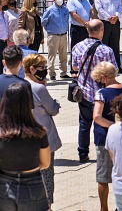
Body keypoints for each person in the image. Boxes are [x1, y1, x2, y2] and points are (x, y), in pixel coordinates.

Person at [72, 19, 118, 163]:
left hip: (84, 92)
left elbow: (74, 68)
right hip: (102, 93)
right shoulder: (106, 50)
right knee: (102, 123)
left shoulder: (77, 47)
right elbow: (114, 71)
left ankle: (83, 153)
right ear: (102, 31)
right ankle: (104, 153)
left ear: (88, 30)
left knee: (84, 124)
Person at [0, 82, 51, 211]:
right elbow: (45, 163)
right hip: (33, 185)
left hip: (4, 185)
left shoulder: (1, 134)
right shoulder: (39, 132)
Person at [23, 54, 62, 209]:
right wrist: (57, 103)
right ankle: (47, 206)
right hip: (43, 139)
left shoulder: (18, 85)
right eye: (42, 68)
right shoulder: (38, 88)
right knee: (46, 174)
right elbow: (52, 109)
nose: (44, 70)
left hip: (25, 139)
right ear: (32, 69)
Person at [91, 62, 122, 211]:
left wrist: (113, 126)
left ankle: (104, 208)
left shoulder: (101, 93)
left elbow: (97, 117)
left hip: (105, 138)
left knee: (103, 177)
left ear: (104, 77)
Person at [94, 0, 122, 73]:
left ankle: (117, 67)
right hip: (104, 22)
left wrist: (116, 16)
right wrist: (109, 18)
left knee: (115, 44)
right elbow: (99, 8)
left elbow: (120, 6)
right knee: (104, 45)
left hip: (115, 22)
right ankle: (105, 68)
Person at [42, 0, 71, 81]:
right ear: (54, 0)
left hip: (63, 35)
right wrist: (49, 30)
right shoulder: (49, 10)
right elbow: (43, 22)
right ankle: (52, 73)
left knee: (63, 55)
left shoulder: (65, 9)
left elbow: (66, 20)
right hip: (53, 36)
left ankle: (63, 72)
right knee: (52, 56)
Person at [67, 0, 92, 74]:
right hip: (77, 28)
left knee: (86, 49)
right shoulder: (71, 1)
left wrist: (91, 21)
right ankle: (74, 70)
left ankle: (85, 68)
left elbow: (90, 11)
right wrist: (84, 23)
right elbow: (73, 15)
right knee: (75, 49)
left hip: (86, 28)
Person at [0, 0, 9, 73]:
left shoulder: (4, 14)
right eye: (3, 2)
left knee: (3, 62)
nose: (5, 3)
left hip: (5, 42)